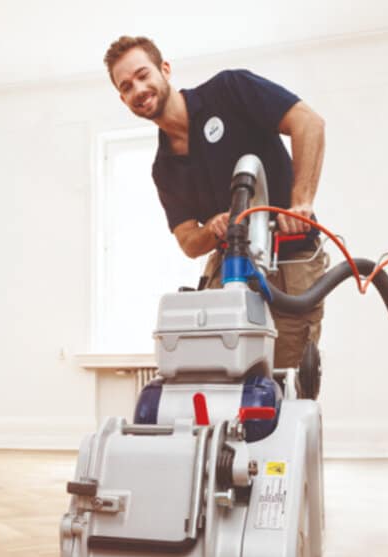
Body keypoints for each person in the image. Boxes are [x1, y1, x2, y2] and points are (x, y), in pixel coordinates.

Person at [103, 35, 328, 375]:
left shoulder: (229, 90)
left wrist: (301, 203)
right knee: (222, 373)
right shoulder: (163, 168)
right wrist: (210, 229)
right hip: (231, 271)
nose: (138, 89)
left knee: (286, 377)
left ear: (165, 69)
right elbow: (188, 242)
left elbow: (308, 123)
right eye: (127, 86)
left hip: (291, 258)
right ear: (123, 99)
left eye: (143, 74)